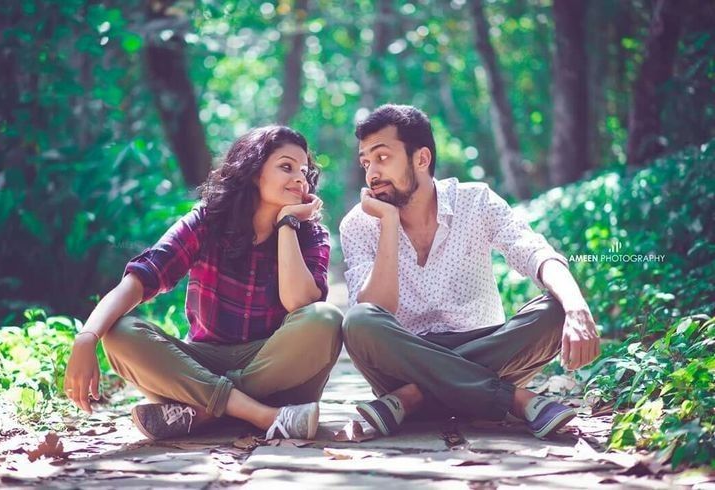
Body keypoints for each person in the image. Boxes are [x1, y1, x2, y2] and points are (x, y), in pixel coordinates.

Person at [64, 126, 343, 441]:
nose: (299, 179)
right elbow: (141, 280)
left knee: (326, 319)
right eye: (286, 167)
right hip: (204, 361)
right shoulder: (208, 221)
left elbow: (298, 303)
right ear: (254, 172)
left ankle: (202, 412)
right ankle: (259, 414)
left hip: (275, 369)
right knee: (118, 333)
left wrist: (288, 225)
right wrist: (87, 337)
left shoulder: (311, 234)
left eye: (304, 172)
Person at [339, 105, 600, 438]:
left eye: (382, 157)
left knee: (555, 310)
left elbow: (534, 251)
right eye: (365, 162)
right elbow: (378, 308)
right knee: (359, 322)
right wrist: (388, 223)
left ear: (421, 159)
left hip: (484, 346)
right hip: (401, 359)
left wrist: (577, 308)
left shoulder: (475, 201)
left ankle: (413, 398)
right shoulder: (359, 224)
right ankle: (515, 401)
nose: (371, 173)